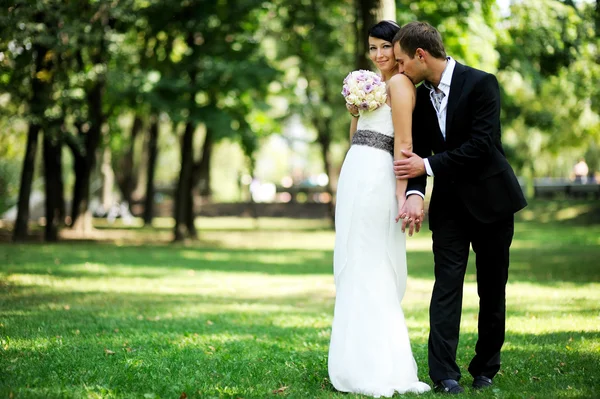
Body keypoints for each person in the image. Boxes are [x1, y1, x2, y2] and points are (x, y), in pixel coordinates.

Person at [391, 22, 528, 394]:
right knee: (446, 288)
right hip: (450, 208)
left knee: (491, 288)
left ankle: (485, 368)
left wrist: (428, 166)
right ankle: (444, 374)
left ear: (421, 55)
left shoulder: (482, 83)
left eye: (402, 62)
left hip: (493, 202)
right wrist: (416, 193)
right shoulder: (416, 97)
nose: (399, 69)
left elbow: (482, 146)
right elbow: (414, 157)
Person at [328, 20, 431, 397]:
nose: (379, 55)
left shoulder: (402, 85)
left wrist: (403, 195)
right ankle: (351, 360)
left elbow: (404, 144)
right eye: (372, 48)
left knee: (372, 262)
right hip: (356, 172)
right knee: (354, 259)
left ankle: (381, 365)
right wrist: (355, 109)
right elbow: (355, 136)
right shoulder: (370, 83)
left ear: (398, 47)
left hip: (378, 179)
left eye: (385, 47)